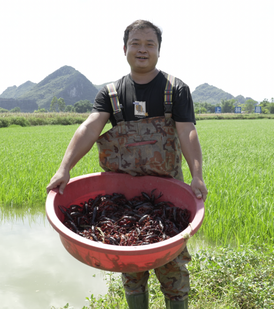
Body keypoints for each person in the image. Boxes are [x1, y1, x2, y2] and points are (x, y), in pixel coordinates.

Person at [46, 19, 207, 309]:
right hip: (124, 199)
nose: (142, 50)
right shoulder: (111, 94)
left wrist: (197, 176)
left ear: (159, 50)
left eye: (150, 44)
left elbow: (188, 132)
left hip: (168, 195)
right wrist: (64, 168)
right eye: (136, 43)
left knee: (174, 271)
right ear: (124, 49)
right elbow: (89, 128)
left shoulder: (175, 89)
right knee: (131, 270)